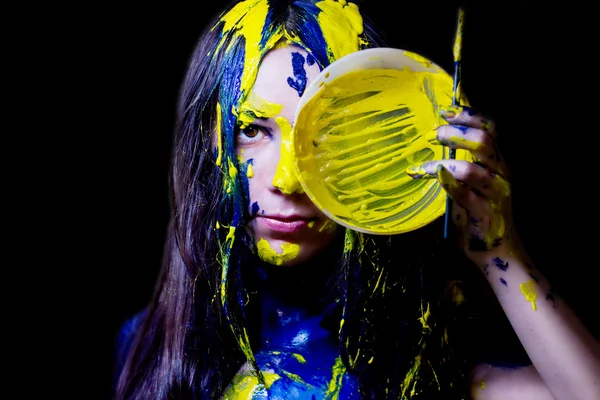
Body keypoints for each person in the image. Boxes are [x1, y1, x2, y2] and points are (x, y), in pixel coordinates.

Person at [113, 0, 600, 399]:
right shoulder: (144, 347)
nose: (288, 180)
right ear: (205, 146)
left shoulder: (426, 357)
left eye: (325, 135)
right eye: (251, 131)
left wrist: (501, 253)